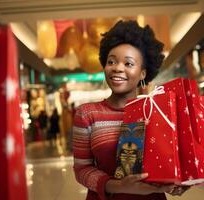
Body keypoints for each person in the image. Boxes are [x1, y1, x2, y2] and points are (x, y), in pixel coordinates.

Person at [72, 20, 189, 200]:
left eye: (128, 64)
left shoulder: (158, 112)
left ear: (143, 73)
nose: (118, 68)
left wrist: (179, 181)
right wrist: (117, 186)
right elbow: (82, 170)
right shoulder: (87, 113)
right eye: (111, 61)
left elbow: (172, 162)